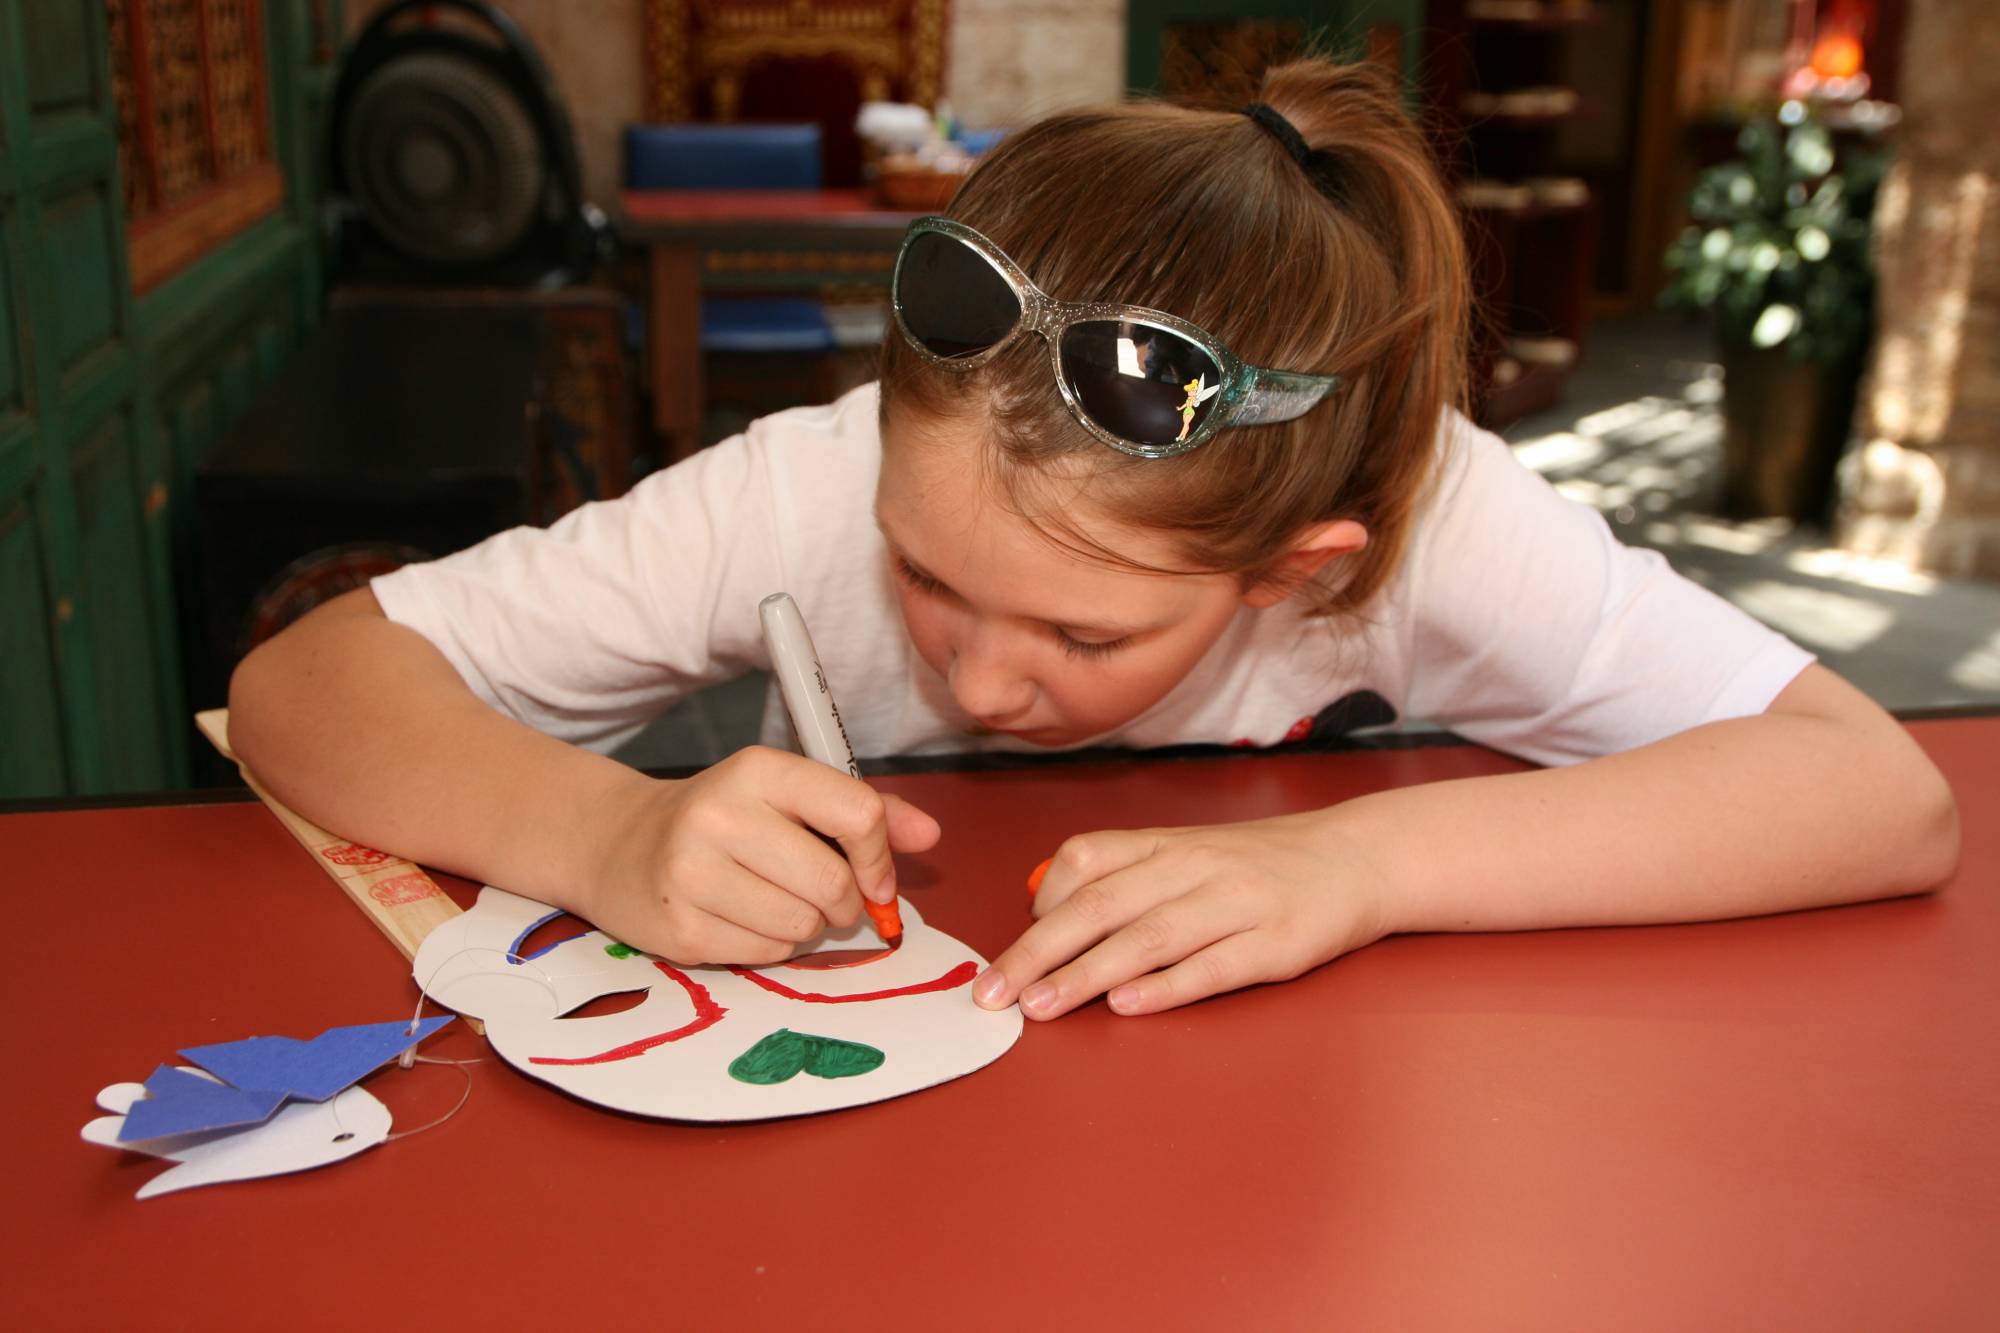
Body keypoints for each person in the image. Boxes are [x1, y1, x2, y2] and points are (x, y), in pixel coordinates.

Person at [229, 60, 1958, 1024]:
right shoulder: (807, 485)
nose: (980, 674)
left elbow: (1881, 793)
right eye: (925, 578)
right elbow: (302, 689)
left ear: (1298, 565)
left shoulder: (1428, 524)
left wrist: (1359, 870)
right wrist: (606, 827)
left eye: (1083, 636)